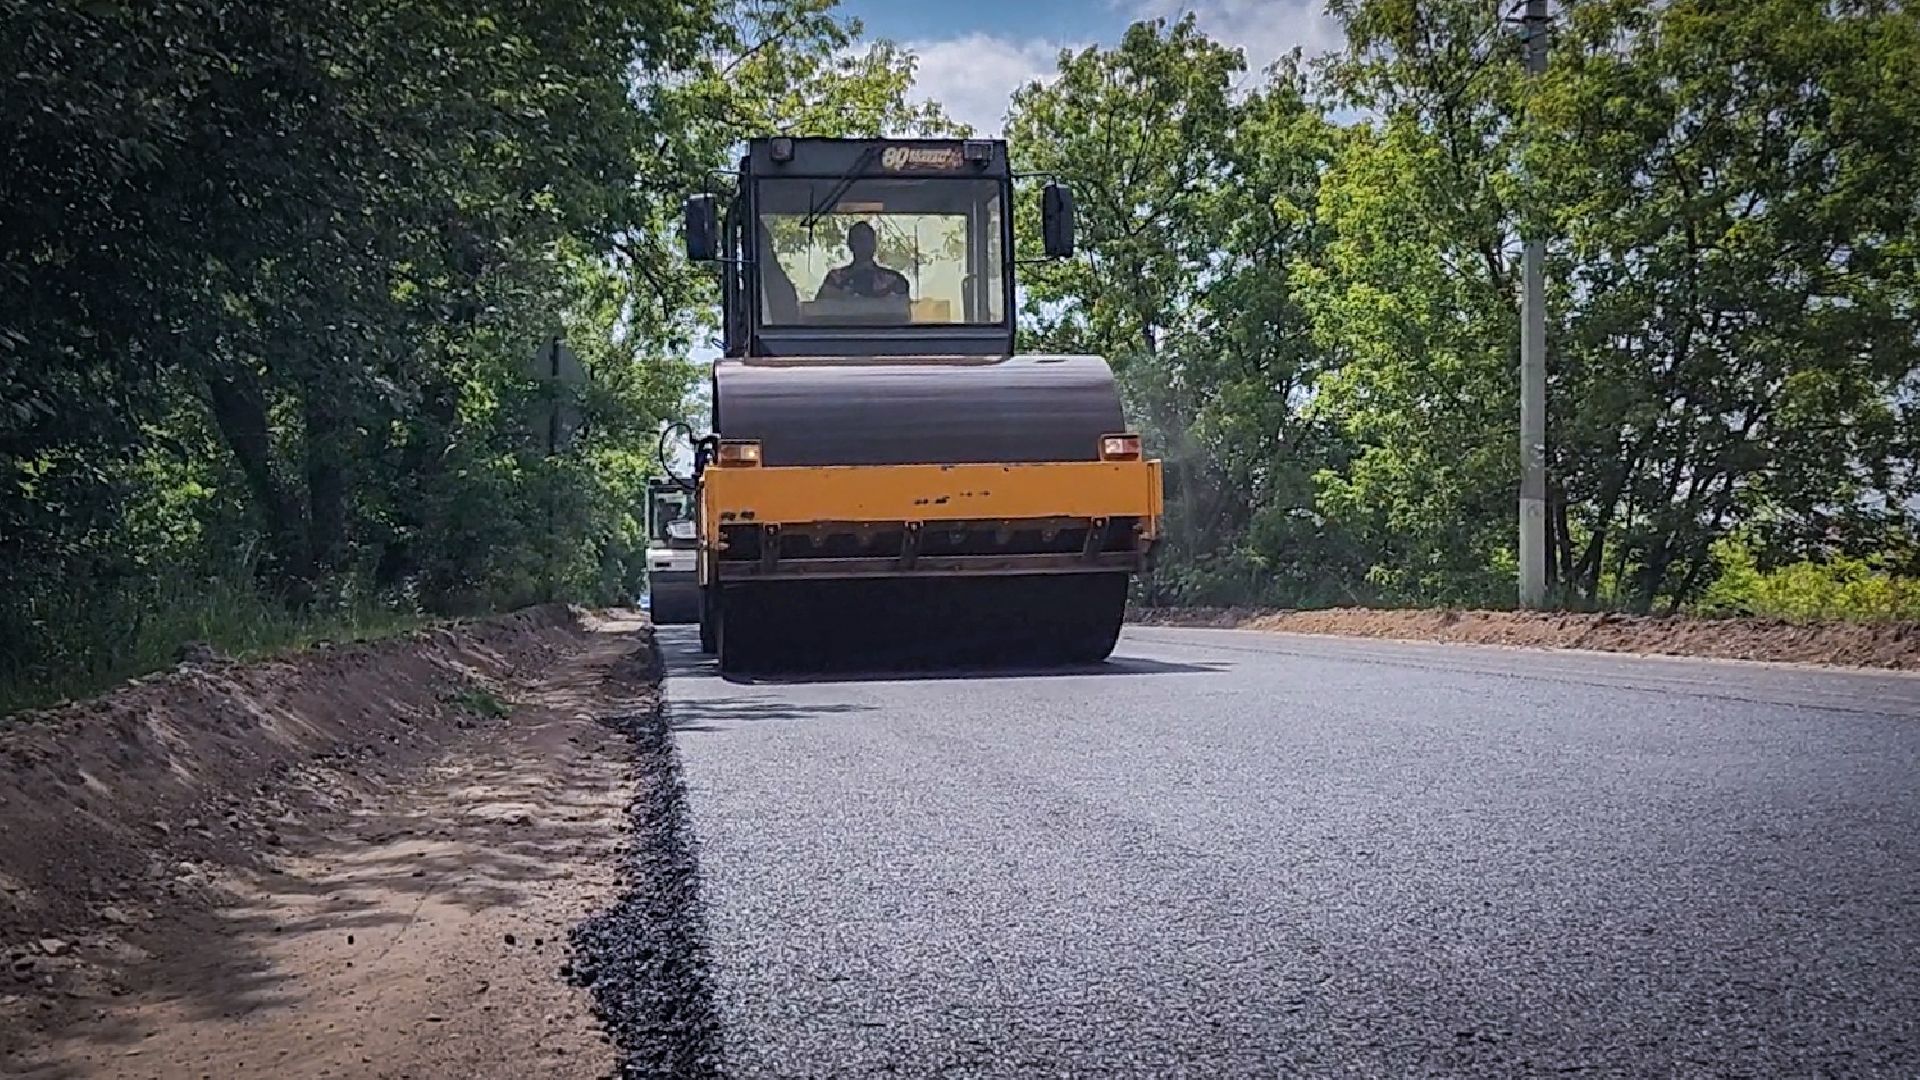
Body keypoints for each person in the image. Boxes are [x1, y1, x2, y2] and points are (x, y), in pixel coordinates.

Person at [816, 221, 910, 300]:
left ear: (874, 244)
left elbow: (902, 313)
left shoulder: (893, 281)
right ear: (851, 244)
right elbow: (819, 311)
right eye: (860, 239)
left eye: (868, 240)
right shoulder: (835, 280)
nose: (865, 244)